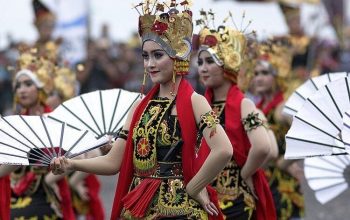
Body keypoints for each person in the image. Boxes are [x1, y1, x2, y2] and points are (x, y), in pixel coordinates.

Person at [51, 1, 233, 219]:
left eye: (158, 55)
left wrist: (195, 187)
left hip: (178, 209)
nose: (149, 64)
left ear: (177, 56)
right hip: (139, 206)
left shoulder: (195, 102)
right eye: (146, 56)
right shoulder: (139, 106)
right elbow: (113, 162)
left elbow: (223, 149)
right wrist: (71, 163)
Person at [194, 10, 276, 220]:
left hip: (236, 201)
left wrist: (245, 174)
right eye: (200, 62)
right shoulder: (203, 105)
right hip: (206, 199)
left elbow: (264, 147)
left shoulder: (244, 104)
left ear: (227, 64)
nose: (203, 68)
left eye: (210, 61)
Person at [0, 48, 75, 219]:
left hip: (45, 194)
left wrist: (51, 180)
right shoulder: (15, 124)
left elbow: (79, 155)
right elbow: (9, 163)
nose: (22, 90)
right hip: (15, 193)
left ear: (40, 88)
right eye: (18, 86)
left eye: (28, 84)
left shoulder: (54, 120)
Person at [254, 39, 304, 220]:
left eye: (265, 73)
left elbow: (306, 137)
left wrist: (286, 161)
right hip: (262, 180)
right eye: (256, 73)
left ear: (277, 77)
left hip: (283, 186)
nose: (258, 78)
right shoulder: (255, 108)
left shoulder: (283, 108)